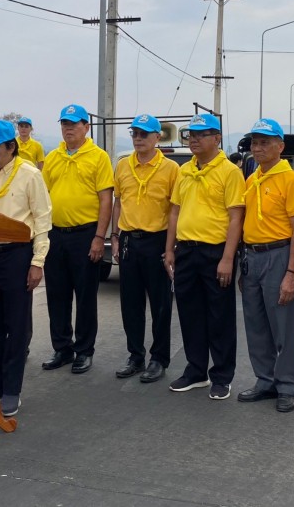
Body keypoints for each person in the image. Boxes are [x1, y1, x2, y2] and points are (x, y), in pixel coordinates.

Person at [0, 120, 53, 417]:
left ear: (10, 147)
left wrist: (37, 262)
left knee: (16, 325)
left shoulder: (30, 174)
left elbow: (42, 220)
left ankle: (11, 390)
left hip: (17, 254)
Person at [164, 112, 245, 400]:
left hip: (215, 252)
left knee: (220, 316)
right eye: (191, 135)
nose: (194, 140)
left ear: (217, 138)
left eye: (201, 135)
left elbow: (236, 217)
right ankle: (196, 371)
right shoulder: (185, 170)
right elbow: (175, 211)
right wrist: (169, 249)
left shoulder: (229, 172)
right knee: (190, 313)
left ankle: (222, 376)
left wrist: (228, 258)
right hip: (186, 250)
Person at [238, 118, 294, 412]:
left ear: (280, 146)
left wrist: (291, 272)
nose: (258, 148)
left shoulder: (291, 179)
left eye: (265, 142)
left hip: (279, 255)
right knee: (255, 324)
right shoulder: (251, 179)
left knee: (283, 326)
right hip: (252, 256)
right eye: (255, 143)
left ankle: (288, 385)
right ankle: (265, 380)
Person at [41, 103, 114, 375]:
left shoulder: (98, 157)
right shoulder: (53, 157)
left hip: (85, 235)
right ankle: (62, 348)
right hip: (55, 234)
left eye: (73, 123)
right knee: (56, 295)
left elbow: (105, 200)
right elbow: (43, 196)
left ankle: (84, 350)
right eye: (64, 124)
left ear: (86, 126)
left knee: (85, 297)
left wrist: (99, 237)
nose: (68, 128)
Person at [111, 114, 180, 384]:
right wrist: (115, 236)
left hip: (157, 240)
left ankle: (159, 358)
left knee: (160, 304)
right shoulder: (123, 165)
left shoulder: (171, 169)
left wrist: (170, 247)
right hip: (129, 239)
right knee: (130, 303)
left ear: (157, 137)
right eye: (135, 134)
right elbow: (119, 202)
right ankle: (135, 356)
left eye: (144, 134)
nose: (138, 139)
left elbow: (175, 210)